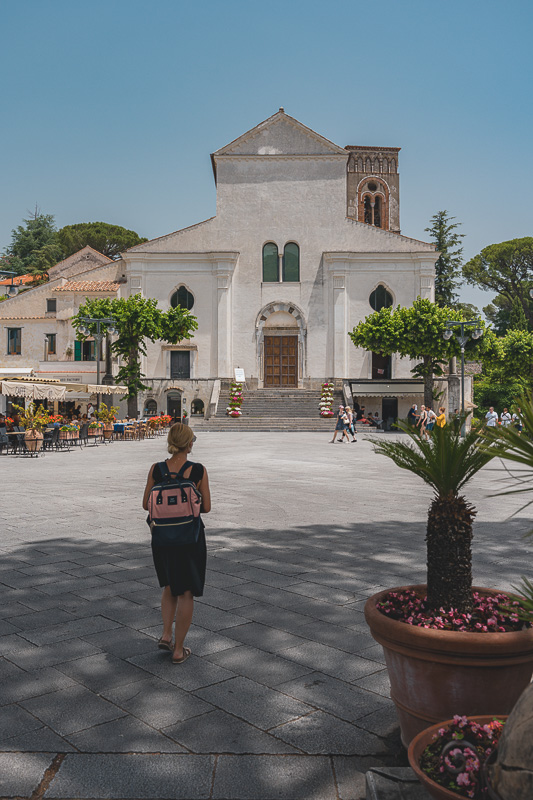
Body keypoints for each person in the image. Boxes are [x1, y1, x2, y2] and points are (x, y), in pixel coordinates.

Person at [143, 423, 211, 664]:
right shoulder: (198, 470)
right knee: (187, 592)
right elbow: (206, 508)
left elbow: (145, 504)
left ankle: (165, 634)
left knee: (170, 586)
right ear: (189, 443)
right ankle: (179, 649)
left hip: (162, 537)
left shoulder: (157, 469)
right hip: (189, 537)